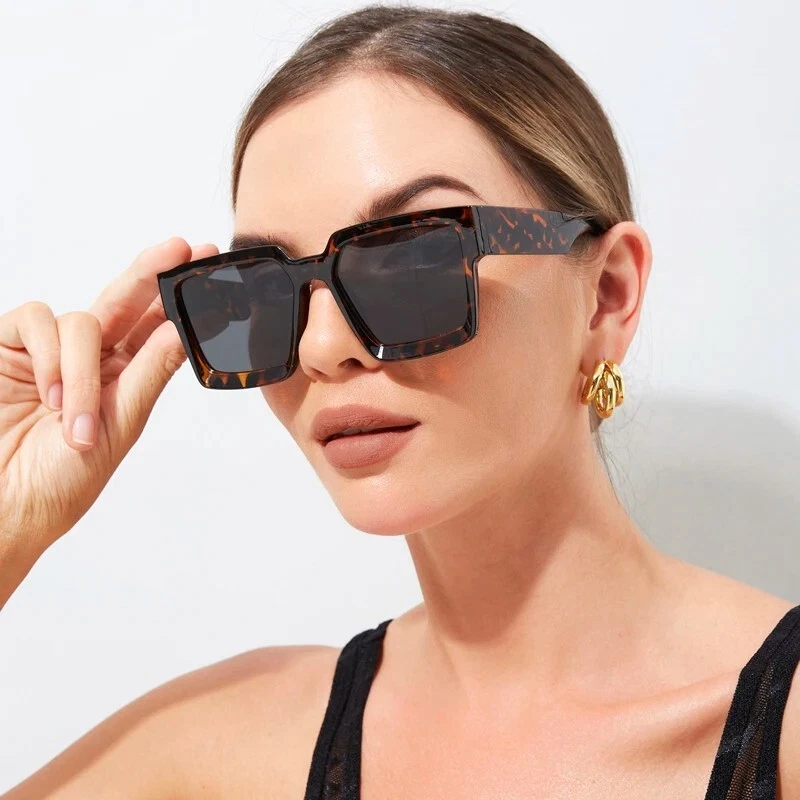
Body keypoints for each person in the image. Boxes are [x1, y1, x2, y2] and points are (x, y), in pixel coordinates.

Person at [1, 4, 798, 799]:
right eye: (267, 288)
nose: (321, 347)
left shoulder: (780, 728)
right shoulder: (228, 747)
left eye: (411, 261)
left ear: (607, 296)